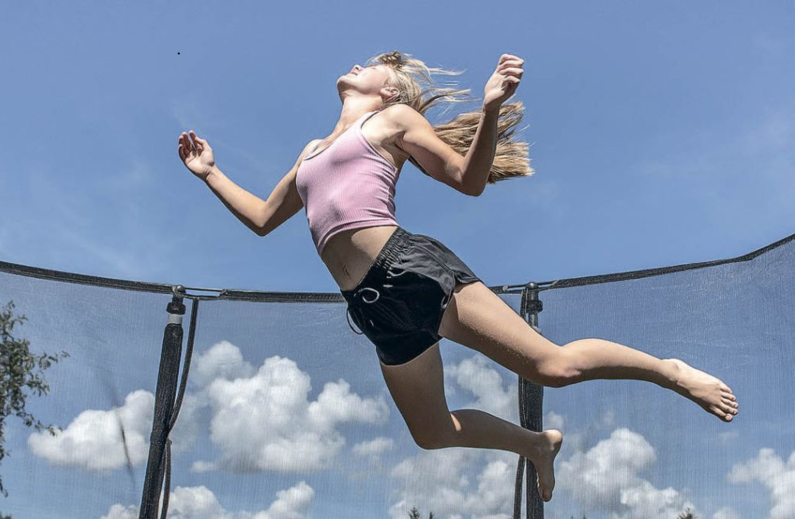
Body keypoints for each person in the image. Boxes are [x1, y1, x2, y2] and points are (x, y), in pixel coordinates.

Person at [177, 50, 739, 502]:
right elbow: (262, 219)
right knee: (432, 432)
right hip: (371, 308)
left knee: (553, 367)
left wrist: (491, 109)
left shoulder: (392, 120)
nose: (356, 64)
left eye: (370, 65)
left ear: (389, 91)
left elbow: (467, 181)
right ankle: (536, 445)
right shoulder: (311, 151)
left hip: (409, 270)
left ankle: (669, 372)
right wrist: (210, 173)